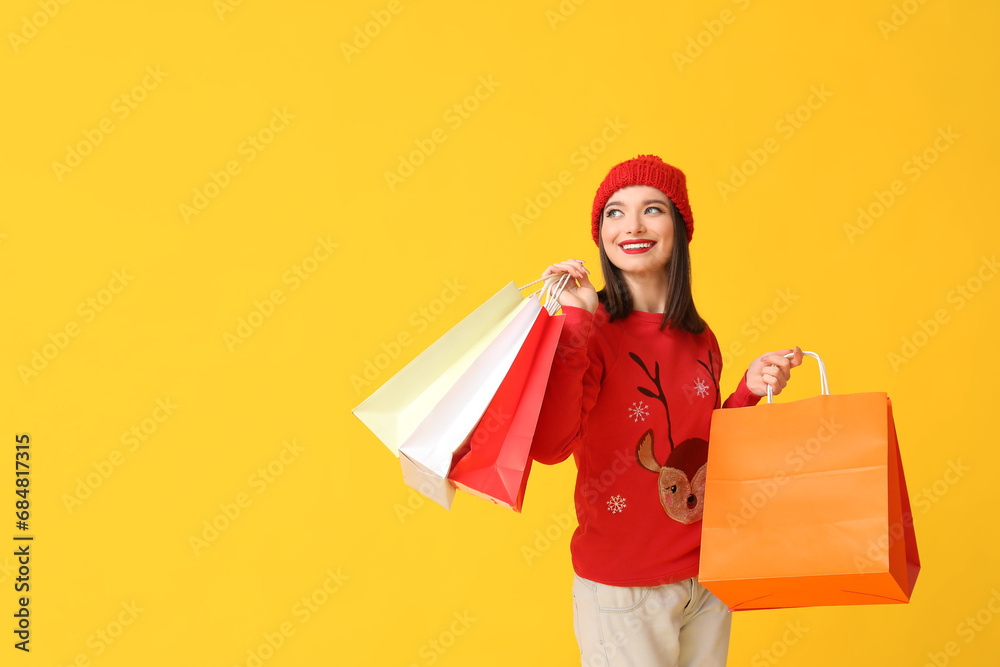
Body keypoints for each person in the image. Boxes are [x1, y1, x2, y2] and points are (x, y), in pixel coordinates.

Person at [530, 154, 803, 666]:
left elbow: (707, 449)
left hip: (708, 576)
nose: (632, 225)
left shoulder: (701, 339)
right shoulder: (590, 331)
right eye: (615, 212)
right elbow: (550, 445)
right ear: (601, 234)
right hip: (625, 589)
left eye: (652, 209)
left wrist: (748, 388)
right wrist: (575, 321)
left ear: (679, 228)